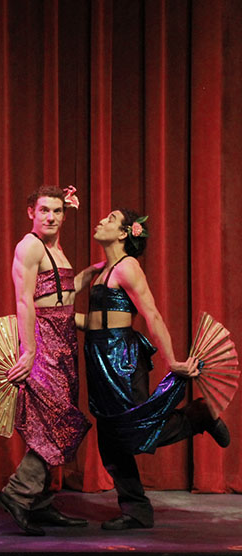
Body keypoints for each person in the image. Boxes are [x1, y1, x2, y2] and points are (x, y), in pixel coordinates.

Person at [84, 208, 230, 530]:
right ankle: (136, 510)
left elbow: (152, 315)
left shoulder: (127, 267)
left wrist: (172, 361)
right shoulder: (101, 271)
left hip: (122, 358)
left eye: (110, 218)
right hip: (98, 359)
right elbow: (94, 322)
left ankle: (198, 416)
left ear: (124, 234)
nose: (102, 221)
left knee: (133, 428)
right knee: (109, 437)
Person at [0, 186, 97, 536]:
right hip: (44, 338)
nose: (50, 217)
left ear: (64, 215)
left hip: (65, 336)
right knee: (59, 419)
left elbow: (64, 292)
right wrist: (29, 350)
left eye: (56, 211)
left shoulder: (55, 247)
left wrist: (97, 268)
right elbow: (25, 300)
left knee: (53, 419)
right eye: (43, 211)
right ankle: (18, 492)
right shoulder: (30, 246)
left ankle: (39, 504)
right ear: (31, 213)